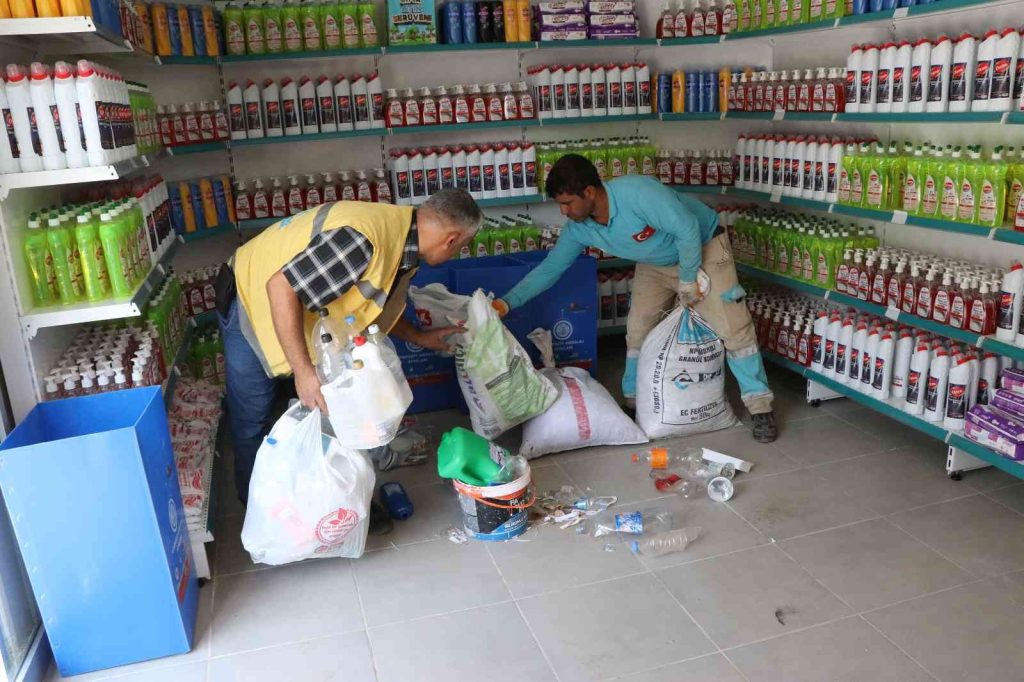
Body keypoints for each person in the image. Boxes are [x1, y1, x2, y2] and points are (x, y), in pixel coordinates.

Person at [215, 189, 483, 505]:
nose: (457, 253)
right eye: (462, 247)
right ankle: (260, 512)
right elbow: (281, 287)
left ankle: (327, 503)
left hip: (291, 304)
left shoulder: (404, 245)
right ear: (451, 239)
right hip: (249, 296)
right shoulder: (365, 239)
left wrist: (423, 337)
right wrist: (304, 373)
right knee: (254, 416)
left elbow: (370, 306)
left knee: (328, 408)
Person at [493, 154, 778, 442]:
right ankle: (633, 401)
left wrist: (689, 277)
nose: (564, 211)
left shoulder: (639, 194)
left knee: (733, 327)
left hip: (703, 247)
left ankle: (760, 407)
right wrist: (507, 302)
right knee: (638, 330)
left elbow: (688, 228)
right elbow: (550, 269)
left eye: (567, 203)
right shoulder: (580, 228)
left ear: (589, 192)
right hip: (654, 262)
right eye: (560, 204)